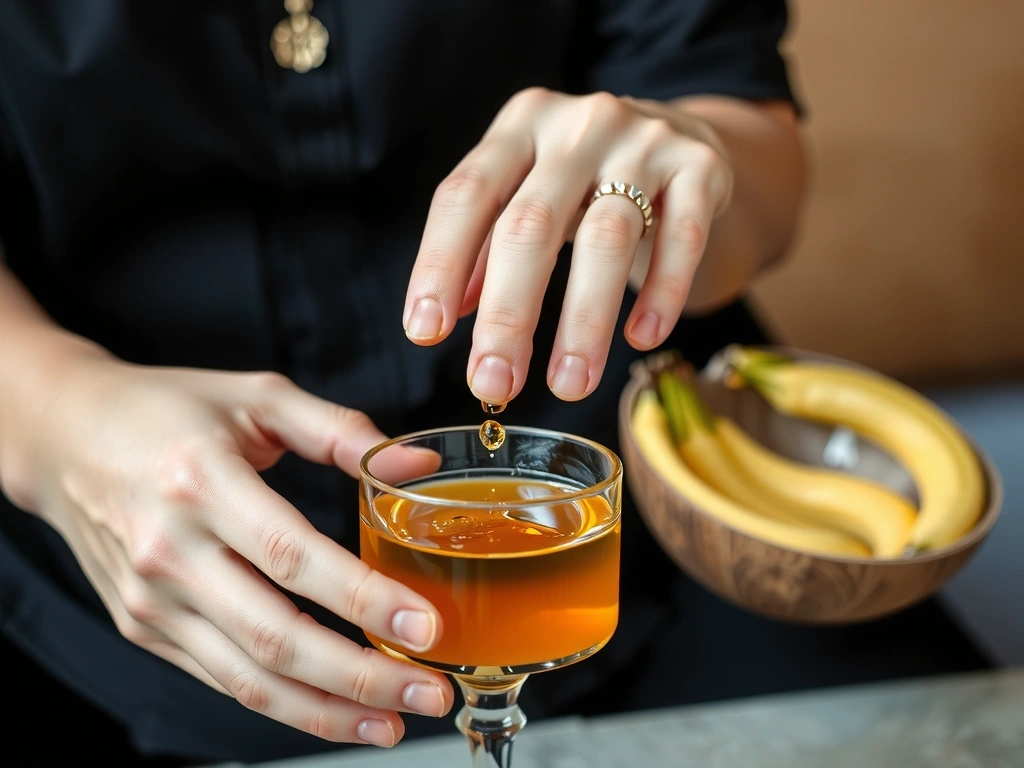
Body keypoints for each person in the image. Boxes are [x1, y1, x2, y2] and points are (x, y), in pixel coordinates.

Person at [0, 2, 991, 766]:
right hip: (101, 537)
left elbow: (755, 167)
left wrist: (681, 164)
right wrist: (50, 413)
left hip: (641, 515)